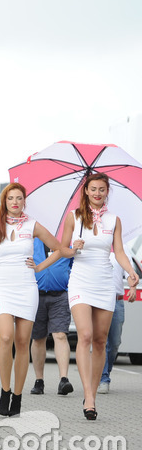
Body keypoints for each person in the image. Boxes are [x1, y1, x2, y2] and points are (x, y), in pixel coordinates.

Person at [0, 182, 62, 417]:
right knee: (5, 337)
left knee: (23, 342)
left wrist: (39, 267)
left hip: (27, 287)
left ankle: (18, 396)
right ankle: (5, 390)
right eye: (10, 198)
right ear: (4, 202)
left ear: (24, 201)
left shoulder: (32, 225)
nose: (15, 202)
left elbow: (58, 248)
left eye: (19, 198)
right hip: (2, 286)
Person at [61, 172, 138, 420]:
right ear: (85, 191)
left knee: (100, 341)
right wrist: (74, 248)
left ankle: (91, 391)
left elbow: (119, 252)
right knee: (84, 335)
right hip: (81, 280)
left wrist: (129, 272)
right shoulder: (74, 218)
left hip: (105, 282)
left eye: (102, 190)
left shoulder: (114, 220)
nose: (97, 193)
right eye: (93, 189)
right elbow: (62, 250)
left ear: (107, 192)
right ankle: (89, 397)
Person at [28, 238, 74, 396]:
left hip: (60, 295)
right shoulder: (32, 242)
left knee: (60, 335)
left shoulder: (66, 242)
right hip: (36, 294)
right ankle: (39, 380)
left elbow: (75, 265)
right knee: (38, 338)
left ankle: (64, 379)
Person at [98, 248, 137, 393]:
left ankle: (103, 371)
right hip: (100, 301)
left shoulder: (122, 251)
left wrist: (132, 287)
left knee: (114, 343)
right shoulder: (97, 248)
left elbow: (129, 273)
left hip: (117, 301)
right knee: (101, 341)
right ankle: (103, 378)